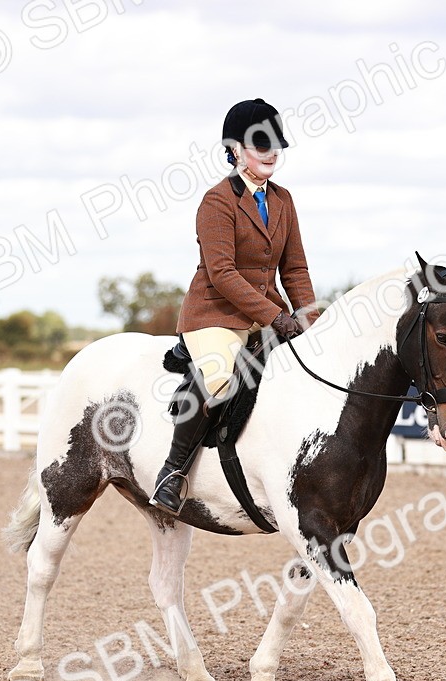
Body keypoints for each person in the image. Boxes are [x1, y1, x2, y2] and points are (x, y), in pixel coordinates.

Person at [150, 98, 320, 515]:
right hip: (216, 315)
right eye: (260, 143)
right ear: (235, 149)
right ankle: (173, 473)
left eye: (275, 143)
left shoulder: (284, 201)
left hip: (267, 315)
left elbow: (294, 269)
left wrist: (311, 323)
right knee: (222, 378)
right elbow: (223, 274)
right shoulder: (217, 202)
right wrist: (276, 317)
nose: (270, 152)